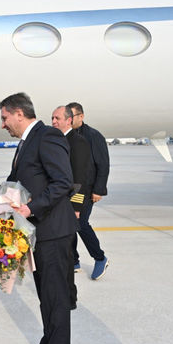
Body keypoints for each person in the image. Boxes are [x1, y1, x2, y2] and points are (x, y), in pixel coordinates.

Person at [0, 93, 75, 344]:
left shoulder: (47, 136)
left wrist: (30, 208)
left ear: (18, 113)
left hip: (53, 232)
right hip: (39, 233)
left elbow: (63, 182)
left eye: (4, 118)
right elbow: (11, 185)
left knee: (56, 298)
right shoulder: (27, 142)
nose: (3, 125)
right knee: (46, 296)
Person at [51, 105, 91, 311]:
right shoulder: (57, 139)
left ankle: (69, 298)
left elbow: (80, 177)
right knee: (63, 253)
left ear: (69, 120)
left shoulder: (78, 142)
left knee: (67, 254)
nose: (53, 122)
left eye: (57, 118)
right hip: (58, 204)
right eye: (52, 118)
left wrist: (76, 207)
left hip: (69, 205)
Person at [67, 101, 110, 280]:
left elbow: (103, 164)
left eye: (72, 116)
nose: (69, 120)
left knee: (81, 224)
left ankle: (100, 257)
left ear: (81, 116)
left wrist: (99, 190)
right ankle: (74, 261)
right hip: (69, 189)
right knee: (69, 224)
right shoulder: (66, 135)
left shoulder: (93, 136)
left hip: (87, 189)